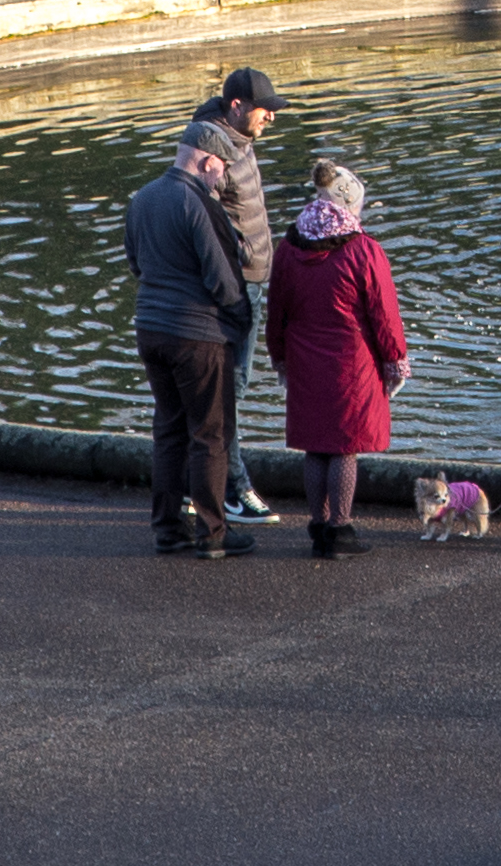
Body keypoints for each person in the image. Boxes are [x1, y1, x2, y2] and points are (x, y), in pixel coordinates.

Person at [266, 161, 411, 560]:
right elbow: (384, 315)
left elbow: (275, 310)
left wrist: (279, 357)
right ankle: (341, 529)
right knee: (345, 446)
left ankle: (318, 525)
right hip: (352, 361)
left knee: (316, 446)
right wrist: (395, 361)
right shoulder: (364, 250)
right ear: (349, 206)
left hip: (303, 357)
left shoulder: (289, 247)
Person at [125, 122, 253, 555]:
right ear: (207, 161)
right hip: (198, 335)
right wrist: (240, 317)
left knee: (169, 429)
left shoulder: (142, 198)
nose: (222, 181)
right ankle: (214, 534)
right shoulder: (197, 202)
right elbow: (223, 279)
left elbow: (136, 264)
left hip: (150, 328)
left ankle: (167, 529)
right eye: (221, 171)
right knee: (210, 435)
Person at [190, 67, 287, 520]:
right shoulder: (212, 149)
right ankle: (233, 488)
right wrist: (237, 266)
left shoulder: (239, 141)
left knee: (226, 390)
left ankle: (202, 487)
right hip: (235, 287)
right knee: (229, 389)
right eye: (265, 111)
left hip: (249, 281)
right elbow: (204, 223)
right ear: (238, 107)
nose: (271, 119)